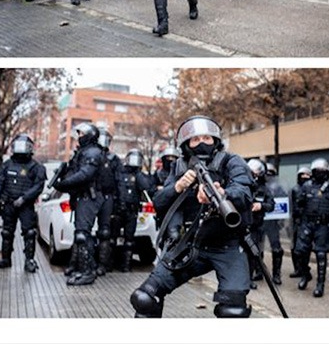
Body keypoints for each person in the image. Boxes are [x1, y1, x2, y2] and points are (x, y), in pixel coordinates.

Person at [130, 115, 254, 318]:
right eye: (195, 139)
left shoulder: (232, 161)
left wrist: (222, 193)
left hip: (228, 245)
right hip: (190, 245)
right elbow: (158, 203)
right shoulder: (179, 167)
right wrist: (178, 187)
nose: (201, 143)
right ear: (186, 144)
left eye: (206, 138)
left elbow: (244, 193)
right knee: (144, 298)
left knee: (233, 311)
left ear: (215, 140)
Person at [51, 122, 105, 286]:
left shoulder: (93, 152)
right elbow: (74, 171)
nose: (79, 137)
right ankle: (82, 268)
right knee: (80, 234)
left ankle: (87, 272)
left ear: (90, 135)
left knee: (83, 235)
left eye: (81, 134)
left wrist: (63, 184)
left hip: (90, 196)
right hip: (81, 197)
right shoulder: (83, 152)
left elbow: (84, 175)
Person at [0, 134, 47, 273]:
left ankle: (29, 261)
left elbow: (38, 186)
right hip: (9, 203)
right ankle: (6, 258)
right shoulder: (7, 165)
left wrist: (25, 198)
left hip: (25, 205)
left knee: (29, 232)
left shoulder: (35, 167)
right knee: (7, 232)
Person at [292, 158, 329, 297]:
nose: (320, 173)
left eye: (322, 171)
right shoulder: (306, 186)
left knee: (320, 254)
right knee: (300, 252)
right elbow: (299, 203)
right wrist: (298, 214)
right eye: (317, 171)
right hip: (307, 223)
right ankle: (305, 275)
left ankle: (320, 285)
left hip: (323, 225)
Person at [113, 148, 154, 272]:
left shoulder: (139, 176)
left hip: (131, 212)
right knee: (111, 238)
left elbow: (146, 187)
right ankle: (110, 263)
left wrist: (138, 173)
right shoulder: (120, 173)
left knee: (129, 240)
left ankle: (126, 265)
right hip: (118, 211)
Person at [94, 127, 122, 276]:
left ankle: (102, 264)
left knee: (105, 232)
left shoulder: (114, 159)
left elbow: (119, 182)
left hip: (107, 197)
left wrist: (118, 203)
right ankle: (85, 263)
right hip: (92, 196)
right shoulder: (90, 155)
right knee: (83, 231)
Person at [245, 159, 275, 289]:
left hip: (257, 226)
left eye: (256, 172)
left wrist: (261, 206)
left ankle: (251, 277)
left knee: (254, 252)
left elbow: (271, 205)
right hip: (243, 224)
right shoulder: (243, 184)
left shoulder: (264, 189)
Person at [262, 163, 288, 285]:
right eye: (266, 174)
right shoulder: (257, 186)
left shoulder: (278, 189)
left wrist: (281, 220)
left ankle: (276, 274)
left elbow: (284, 205)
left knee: (276, 249)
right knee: (257, 248)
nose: (268, 176)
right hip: (259, 221)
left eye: (271, 174)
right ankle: (258, 271)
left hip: (272, 223)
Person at [287, 166, 312, 279]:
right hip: (296, 221)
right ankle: (297, 269)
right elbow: (290, 206)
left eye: (307, 175)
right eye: (303, 175)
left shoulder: (312, 189)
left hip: (307, 221)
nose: (305, 177)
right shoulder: (294, 189)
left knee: (305, 247)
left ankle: (304, 268)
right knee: (294, 247)